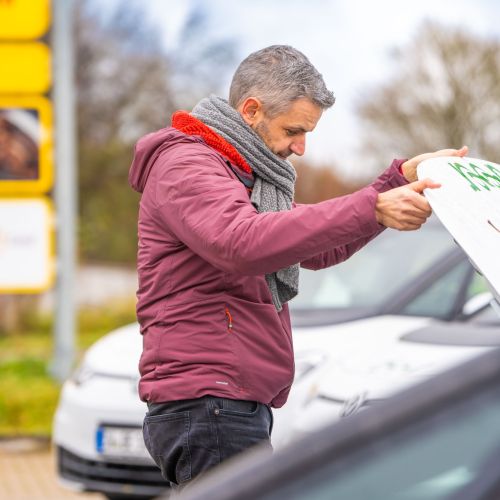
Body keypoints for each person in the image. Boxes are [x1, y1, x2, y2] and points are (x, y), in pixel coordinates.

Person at [128, 45, 467, 489]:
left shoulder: (243, 176)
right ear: (251, 110)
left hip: (227, 401)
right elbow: (242, 241)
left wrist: (397, 180)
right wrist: (373, 206)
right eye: (294, 130)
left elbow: (316, 247)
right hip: (208, 402)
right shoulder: (188, 164)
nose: (301, 148)